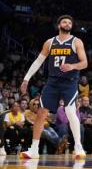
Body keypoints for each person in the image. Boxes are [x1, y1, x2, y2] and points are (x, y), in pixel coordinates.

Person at [19, 15, 87, 159]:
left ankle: (78, 147)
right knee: (41, 113)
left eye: (70, 22)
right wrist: (26, 79)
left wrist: (72, 66)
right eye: (64, 21)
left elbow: (84, 63)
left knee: (70, 111)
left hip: (69, 81)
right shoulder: (50, 42)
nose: (67, 24)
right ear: (58, 25)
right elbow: (38, 61)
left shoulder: (76, 41)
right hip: (53, 82)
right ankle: (34, 149)